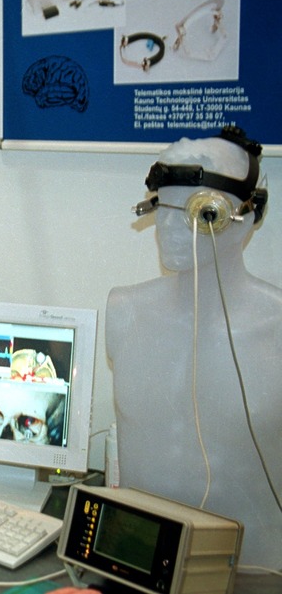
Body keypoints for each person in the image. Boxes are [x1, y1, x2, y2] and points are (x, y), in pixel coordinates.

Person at [107, 127, 281, 571]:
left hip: (252, 569)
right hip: (136, 559)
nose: (169, 227)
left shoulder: (277, 328)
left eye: (197, 210)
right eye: (163, 207)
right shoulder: (124, 311)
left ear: (246, 215)